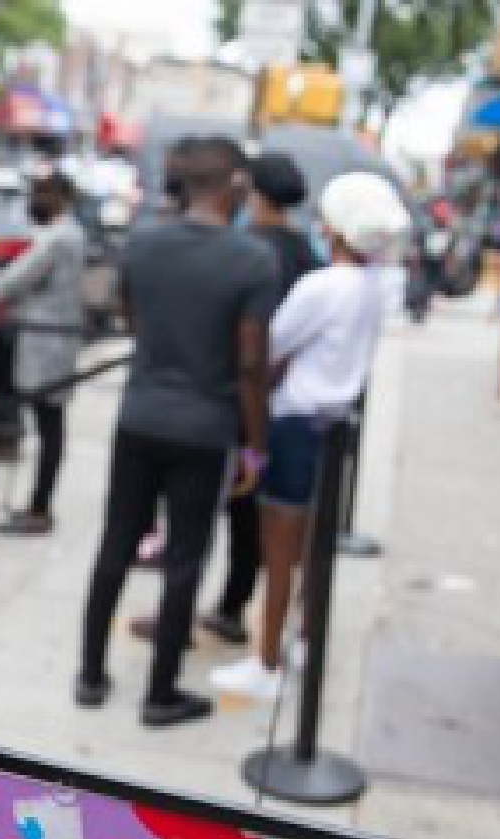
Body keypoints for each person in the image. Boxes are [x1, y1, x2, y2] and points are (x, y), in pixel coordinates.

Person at [76, 137, 275, 728]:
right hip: (204, 426)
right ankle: (160, 692)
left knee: (116, 543)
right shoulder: (252, 260)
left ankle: (91, 672)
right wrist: (255, 445)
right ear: (236, 185)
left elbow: (133, 320)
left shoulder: (142, 242)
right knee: (185, 559)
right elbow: (250, 364)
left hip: (140, 415)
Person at [210, 173, 410, 703]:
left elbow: (270, 346)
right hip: (333, 427)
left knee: (279, 550)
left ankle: (266, 661)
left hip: (294, 424)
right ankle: (298, 638)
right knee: (311, 549)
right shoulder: (374, 285)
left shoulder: (324, 285)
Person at [202, 152, 318, 646]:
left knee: (222, 505)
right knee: (260, 510)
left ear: (255, 193)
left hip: (238, 392)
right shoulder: (308, 253)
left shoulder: (245, 247)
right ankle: (237, 601)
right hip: (285, 400)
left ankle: (225, 608)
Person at [0, 169, 86, 536]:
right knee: (49, 426)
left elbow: (15, 279)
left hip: (48, 346)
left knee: (49, 426)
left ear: (58, 196)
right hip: (51, 343)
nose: (32, 202)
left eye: (39, 194)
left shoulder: (58, 238)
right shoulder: (64, 234)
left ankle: (40, 507)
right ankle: (39, 503)